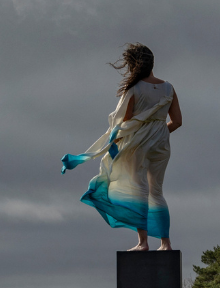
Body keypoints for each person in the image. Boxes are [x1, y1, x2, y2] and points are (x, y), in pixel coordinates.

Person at [61, 43, 182, 250]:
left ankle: (143, 243)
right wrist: (157, 135)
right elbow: (177, 121)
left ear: (133, 65)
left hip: (137, 145)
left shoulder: (134, 89)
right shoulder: (169, 88)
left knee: (138, 190)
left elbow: (123, 122)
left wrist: (141, 137)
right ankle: (165, 243)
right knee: (157, 191)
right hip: (162, 145)